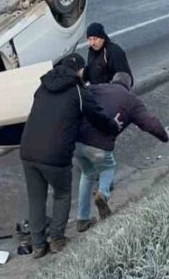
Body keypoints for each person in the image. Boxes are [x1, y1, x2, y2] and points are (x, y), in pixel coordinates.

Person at [20, 53, 121, 258]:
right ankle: (57, 239)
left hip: (28, 151)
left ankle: (39, 245)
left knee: (36, 199)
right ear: (80, 71)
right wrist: (114, 126)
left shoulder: (42, 87)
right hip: (55, 155)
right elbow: (97, 117)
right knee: (62, 194)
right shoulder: (78, 91)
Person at [74, 71, 169, 232]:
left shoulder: (98, 87)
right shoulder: (131, 101)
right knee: (108, 168)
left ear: (112, 80)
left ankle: (82, 219)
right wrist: (164, 136)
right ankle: (103, 193)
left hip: (78, 140)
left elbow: (79, 95)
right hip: (100, 144)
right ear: (129, 86)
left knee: (87, 173)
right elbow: (149, 123)